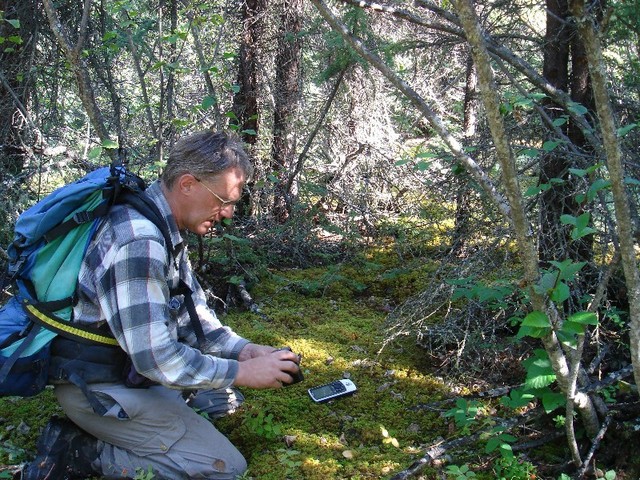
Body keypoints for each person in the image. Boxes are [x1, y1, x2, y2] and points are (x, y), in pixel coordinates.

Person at [21, 131, 302, 479]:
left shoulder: (161, 225)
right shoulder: (139, 241)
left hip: (130, 374)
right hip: (101, 390)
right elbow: (158, 358)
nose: (228, 213)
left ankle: (150, 426)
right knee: (224, 468)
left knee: (223, 401)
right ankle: (81, 451)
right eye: (222, 200)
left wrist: (244, 351)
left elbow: (192, 316)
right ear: (188, 184)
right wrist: (242, 373)